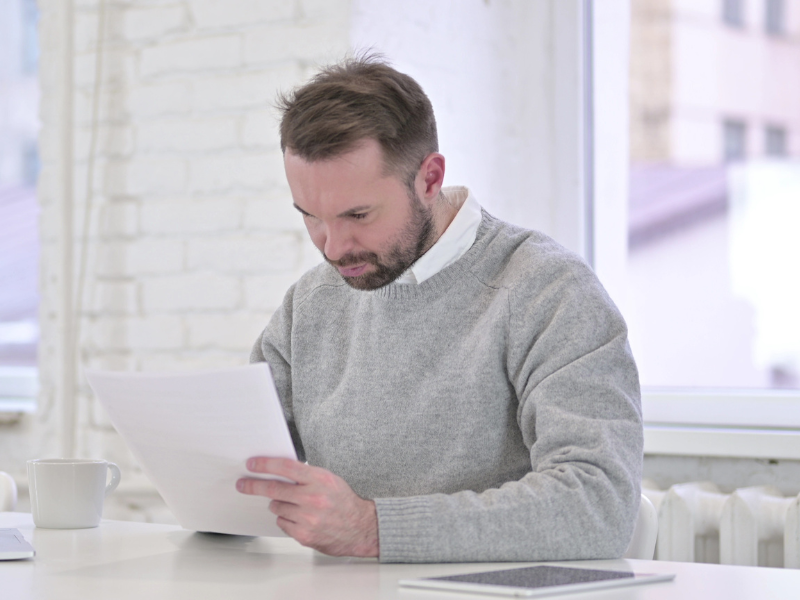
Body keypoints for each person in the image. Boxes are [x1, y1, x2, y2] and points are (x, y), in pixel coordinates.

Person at [236, 55, 643, 563]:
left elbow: (598, 506)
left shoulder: (547, 289)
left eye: (358, 214)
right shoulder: (310, 303)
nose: (334, 247)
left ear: (429, 178)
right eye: (311, 217)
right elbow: (244, 468)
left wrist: (374, 529)